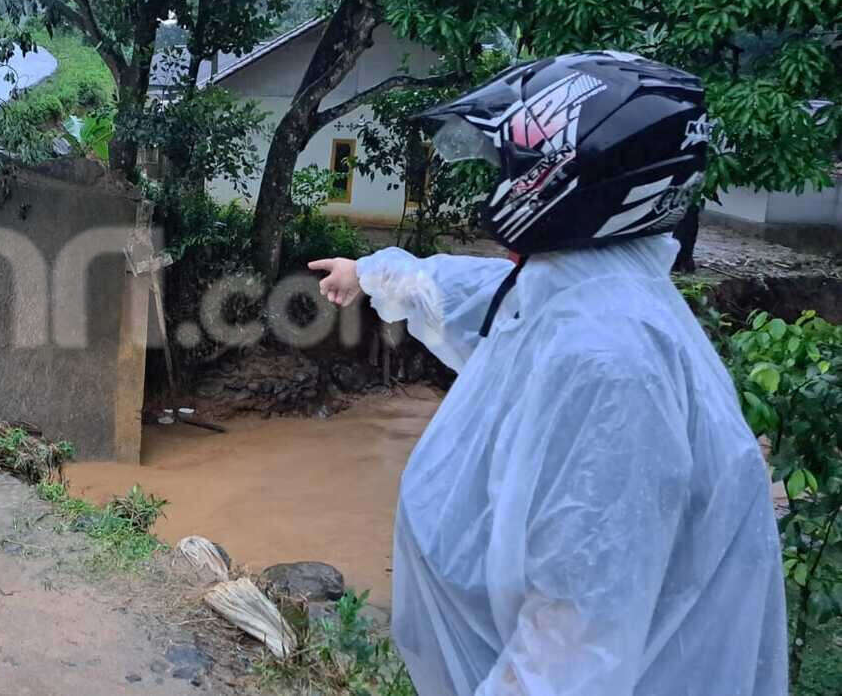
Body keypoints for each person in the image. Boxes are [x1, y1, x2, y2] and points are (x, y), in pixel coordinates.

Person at [307, 52, 786, 695]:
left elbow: (574, 642)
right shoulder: (578, 297)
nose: (497, 186)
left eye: (511, 167)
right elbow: (472, 295)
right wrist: (366, 275)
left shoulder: (609, 363)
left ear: (566, 175)